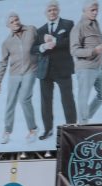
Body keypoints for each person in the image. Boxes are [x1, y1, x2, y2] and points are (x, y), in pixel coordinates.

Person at [32, 1, 76, 140]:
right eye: (49, 10)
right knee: (46, 102)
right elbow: (33, 49)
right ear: (46, 13)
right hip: (45, 70)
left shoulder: (68, 24)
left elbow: (71, 42)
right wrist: (44, 46)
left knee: (67, 99)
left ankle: (72, 127)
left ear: (58, 11)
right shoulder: (40, 30)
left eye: (54, 9)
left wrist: (55, 41)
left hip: (63, 68)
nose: (52, 12)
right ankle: (48, 129)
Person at [0, 12, 38, 145]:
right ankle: (7, 131)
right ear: (8, 25)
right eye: (12, 22)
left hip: (30, 71)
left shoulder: (31, 29)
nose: (15, 23)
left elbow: (41, 42)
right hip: (14, 74)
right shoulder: (7, 42)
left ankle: (32, 129)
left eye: (17, 20)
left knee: (24, 98)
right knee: (10, 103)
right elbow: (3, 62)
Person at [70, 1, 102, 124]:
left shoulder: (95, 23)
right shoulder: (78, 27)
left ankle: (85, 117)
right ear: (84, 10)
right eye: (92, 10)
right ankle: (83, 125)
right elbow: (74, 51)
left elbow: (95, 43)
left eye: (97, 9)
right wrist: (94, 51)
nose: (95, 12)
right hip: (86, 68)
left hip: (99, 67)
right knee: (83, 97)